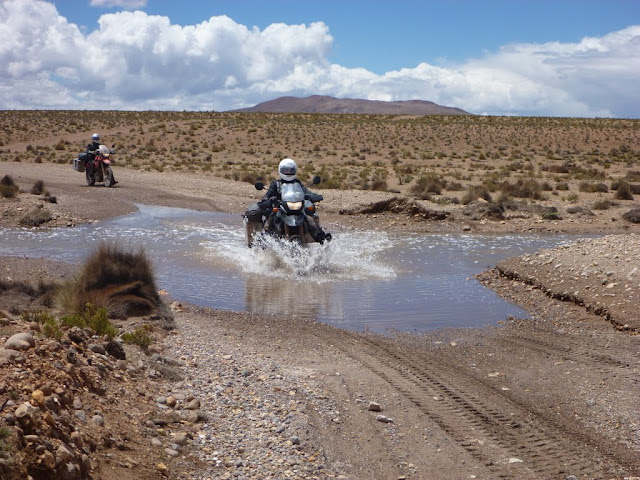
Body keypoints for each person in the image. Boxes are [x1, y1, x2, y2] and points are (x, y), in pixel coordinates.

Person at [258, 158, 331, 243]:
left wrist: (314, 196)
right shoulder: (276, 184)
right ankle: (263, 240)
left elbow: (306, 191)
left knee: (309, 219)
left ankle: (321, 238)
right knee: (270, 220)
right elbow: (268, 194)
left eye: (290, 170)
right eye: (286, 170)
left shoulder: (297, 183)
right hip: (280, 208)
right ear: (280, 170)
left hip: (296, 207)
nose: (288, 172)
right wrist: (268, 200)